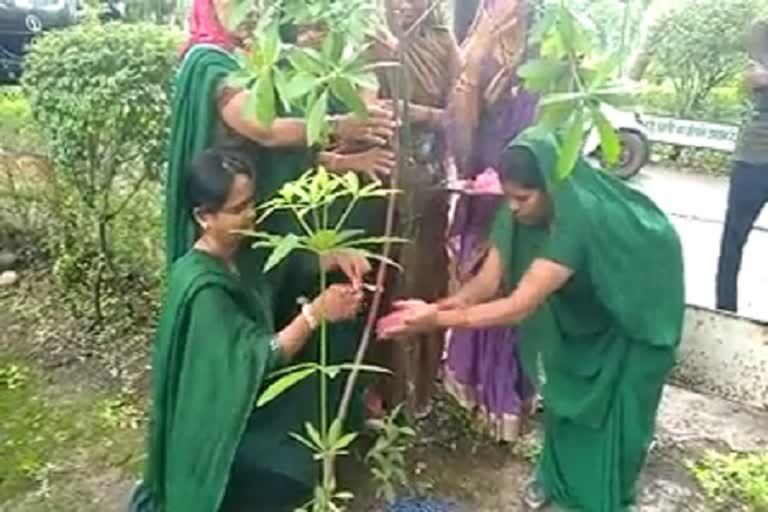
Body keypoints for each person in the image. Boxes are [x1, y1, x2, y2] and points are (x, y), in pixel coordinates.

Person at [380, 129, 686, 512]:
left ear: (551, 188)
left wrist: (436, 321)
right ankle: (557, 482)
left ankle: (601, 499)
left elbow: (518, 306)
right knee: (564, 399)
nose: (512, 207)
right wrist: (436, 308)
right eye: (507, 196)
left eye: (522, 198)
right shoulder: (519, 213)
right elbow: (486, 284)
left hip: (634, 323)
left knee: (617, 425)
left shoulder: (579, 221)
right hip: (582, 316)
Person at [130, 148, 363, 512]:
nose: (251, 215)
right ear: (204, 216)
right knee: (284, 455)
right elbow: (260, 357)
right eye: (238, 209)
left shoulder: (241, 249)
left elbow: (282, 266)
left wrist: (335, 256)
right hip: (219, 417)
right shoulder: (203, 287)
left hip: (247, 393)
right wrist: (315, 314)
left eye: (252, 202)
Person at [442, 0, 539, 441]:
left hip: (528, 193)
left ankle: (509, 403)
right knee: (477, 282)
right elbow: (461, 139)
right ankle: (476, 400)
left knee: (517, 293)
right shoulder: (473, 50)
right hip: (482, 193)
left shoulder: (548, 55)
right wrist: (477, 54)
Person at [366, 0, 460, 418]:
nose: (403, 4)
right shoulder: (368, 36)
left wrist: (416, 113)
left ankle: (411, 392)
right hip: (375, 183)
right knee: (374, 282)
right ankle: (368, 388)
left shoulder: (443, 42)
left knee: (418, 282)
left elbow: (460, 117)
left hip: (426, 185)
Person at [716, 20, 768, 313]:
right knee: (733, 239)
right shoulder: (762, 31)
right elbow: (754, 78)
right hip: (755, 156)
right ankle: (724, 312)